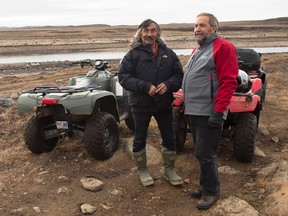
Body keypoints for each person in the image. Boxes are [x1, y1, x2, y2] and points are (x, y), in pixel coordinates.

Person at [182, 13, 239, 210]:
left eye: (202, 25)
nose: (197, 29)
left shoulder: (223, 47)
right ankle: (206, 185)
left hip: (209, 111)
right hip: (194, 111)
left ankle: (211, 192)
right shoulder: (199, 49)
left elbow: (229, 81)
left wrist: (218, 111)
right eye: (195, 25)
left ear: (213, 28)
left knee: (206, 153)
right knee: (200, 152)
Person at [118, 19, 184, 187]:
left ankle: (169, 169)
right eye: (146, 31)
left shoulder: (168, 53)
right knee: (140, 137)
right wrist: (144, 86)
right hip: (141, 103)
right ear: (140, 33)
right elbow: (123, 78)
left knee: (169, 136)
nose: (149, 34)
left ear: (158, 33)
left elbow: (179, 75)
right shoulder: (132, 55)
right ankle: (142, 170)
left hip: (164, 103)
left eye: (153, 31)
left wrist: (168, 85)